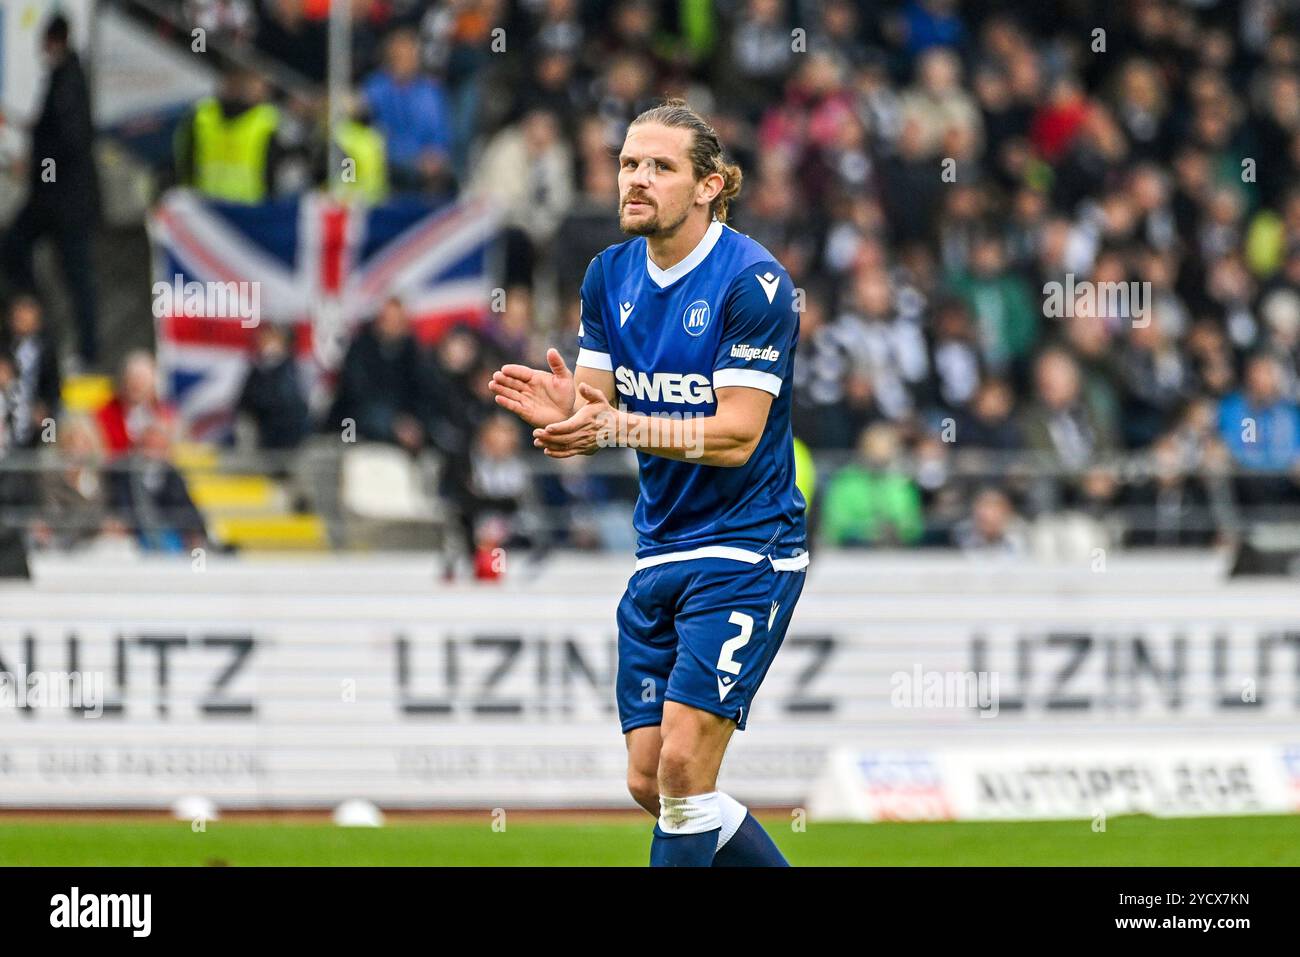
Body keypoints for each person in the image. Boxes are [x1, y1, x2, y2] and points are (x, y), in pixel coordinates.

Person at [489, 98, 806, 867]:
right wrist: (569, 411)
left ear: (709, 185)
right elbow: (604, 406)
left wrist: (613, 426)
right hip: (659, 546)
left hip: (746, 548)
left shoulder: (754, 282)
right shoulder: (608, 274)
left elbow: (736, 435)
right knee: (650, 781)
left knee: (683, 771)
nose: (635, 178)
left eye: (660, 166)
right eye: (629, 162)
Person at [1, 15, 101, 367]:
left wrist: (37, 165)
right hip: (51, 199)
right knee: (14, 245)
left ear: (55, 40)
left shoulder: (68, 79)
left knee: (77, 275)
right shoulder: (65, 76)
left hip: (64, 203)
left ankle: (88, 351)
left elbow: (69, 141)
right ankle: (33, 318)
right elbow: (49, 131)